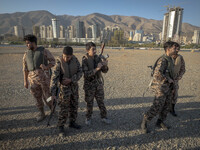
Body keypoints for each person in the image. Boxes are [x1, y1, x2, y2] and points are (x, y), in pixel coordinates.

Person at [141, 41, 178, 134]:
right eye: (174, 48)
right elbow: (157, 74)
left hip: (168, 87)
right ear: (168, 49)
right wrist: (168, 79)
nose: (176, 49)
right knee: (157, 106)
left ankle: (160, 122)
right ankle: (145, 121)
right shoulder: (163, 60)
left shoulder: (171, 59)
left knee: (167, 106)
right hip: (161, 87)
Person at [50, 46, 82, 136]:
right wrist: (53, 93)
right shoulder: (59, 62)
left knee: (74, 105)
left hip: (74, 88)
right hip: (64, 89)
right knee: (64, 108)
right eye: (64, 56)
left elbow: (80, 72)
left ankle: (72, 122)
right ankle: (61, 126)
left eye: (68, 57)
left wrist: (71, 80)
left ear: (71, 55)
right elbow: (54, 79)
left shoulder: (75, 60)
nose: (65, 58)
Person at [23, 34, 55, 122]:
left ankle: (52, 109)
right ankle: (42, 113)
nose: (27, 45)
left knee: (47, 96)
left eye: (28, 43)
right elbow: (25, 69)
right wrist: (25, 81)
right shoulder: (26, 54)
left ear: (33, 43)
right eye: (26, 43)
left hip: (44, 79)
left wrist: (46, 67)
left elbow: (53, 61)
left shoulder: (44, 51)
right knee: (37, 97)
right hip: (32, 80)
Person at [82, 42, 111, 126]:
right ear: (87, 50)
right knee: (89, 103)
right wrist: (97, 68)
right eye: (92, 49)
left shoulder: (97, 58)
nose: (94, 51)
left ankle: (104, 117)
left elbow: (104, 71)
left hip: (98, 84)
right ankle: (88, 117)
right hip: (89, 85)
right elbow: (86, 74)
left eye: (95, 49)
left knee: (101, 101)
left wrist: (105, 65)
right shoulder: (85, 60)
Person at [170, 43, 186, 116]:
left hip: (175, 80)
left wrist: (179, 77)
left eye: (178, 49)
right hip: (166, 80)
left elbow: (183, 69)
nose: (177, 50)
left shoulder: (180, 58)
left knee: (174, 95)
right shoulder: (167, 57)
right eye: (175, 48)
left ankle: (172, 109)